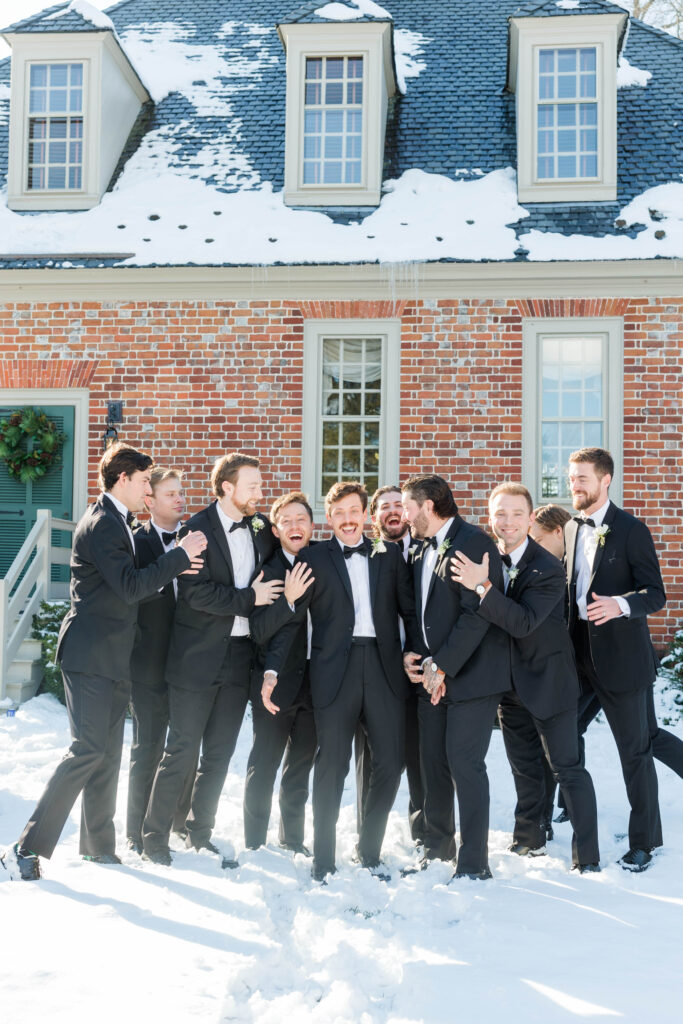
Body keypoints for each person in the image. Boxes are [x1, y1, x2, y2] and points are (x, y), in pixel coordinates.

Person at [1, 443, 207, 881]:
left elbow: (127, 590)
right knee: (87, 749)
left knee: (108, 754)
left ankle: (97, 847)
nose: (149, 491)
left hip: (115, 657)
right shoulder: (102, 524)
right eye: (145, 482)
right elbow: (132, 587)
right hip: (89, 655)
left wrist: (174, 568)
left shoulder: (120, 522)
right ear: (123, 479)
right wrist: (180, 556)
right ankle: (24, 845)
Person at [141, 452, 281, 868]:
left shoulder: (259, 529)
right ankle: (153, 838)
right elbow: (198, 596)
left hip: (240, 658)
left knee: (219, 754)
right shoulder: (196, 530)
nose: (260, 492)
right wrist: (249, 599)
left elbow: (272, 566)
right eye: (252, 485)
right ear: (227, 488)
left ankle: (200, 833)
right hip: (195, 659)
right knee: (181, 750)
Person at [451, 484, 600, 872]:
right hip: (507, 686)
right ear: (490, 519)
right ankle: (528, 840)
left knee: (566, 768)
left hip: (549, 682)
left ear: (531, 519)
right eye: (500, 514)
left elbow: (523, 622)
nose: (508, 521)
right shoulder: (486, 559)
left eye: (517, 514)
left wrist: (481, 586)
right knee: (524, 768)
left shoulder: (547, 568)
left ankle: (588, 857)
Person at [293, 481, 419, 882]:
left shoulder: (389, 557)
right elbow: (294, 622)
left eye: (354, 511)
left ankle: (369, 849)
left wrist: (415, 653)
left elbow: (410, 612)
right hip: (334, 671)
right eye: (340, 513)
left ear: (366, 515)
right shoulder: (313, 558)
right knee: (331, 766)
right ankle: (324, 858)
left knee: (390, 762)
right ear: (329, 519)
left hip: (384, 668)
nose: (348, 520)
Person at [401, 474, 509, 880]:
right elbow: (421, 612)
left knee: (465, 765)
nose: (404, 516)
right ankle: (437, 847)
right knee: (433, 763)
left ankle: (474, 862)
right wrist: (418, 656)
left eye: (409, 508)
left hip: (473, 677)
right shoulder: (420, 547)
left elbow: (476, 614)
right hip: (433, 677)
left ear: (428, 506)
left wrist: (442, 665)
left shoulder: (474, 543)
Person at [564, 447, 666, 872]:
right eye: (572, 479)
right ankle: (568, 810)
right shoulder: (570, 527)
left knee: (635, 754)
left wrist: (621, 605)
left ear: (605, 480)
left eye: (583, 478)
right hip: (578, 660)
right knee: (565, 738)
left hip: (623, 663)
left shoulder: (631, 530)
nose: (575, 486)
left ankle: (645, 841)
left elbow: (655, 594)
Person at [126, 467, 198, 855]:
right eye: (170, 494)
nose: (179, 498)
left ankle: (176, 822)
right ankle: (135, 830)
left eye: (180, 492)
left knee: (186, 746)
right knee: (148, 746)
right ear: (149, 500)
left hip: (189, 659)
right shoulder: (135, 543)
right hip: (148, 661)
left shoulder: (198, 538)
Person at [244, 492, 316, 854]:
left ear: (311, 525)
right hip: (273, 686)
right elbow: (258, 631)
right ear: (276, 529)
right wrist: (287, 600)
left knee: (300, 769)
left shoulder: (323, 563)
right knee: (264, 765)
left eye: (300, 519)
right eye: (286, 520)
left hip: (315, 686)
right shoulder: (268, 571)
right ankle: (255, 842)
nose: (294, 526)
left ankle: (293, 839)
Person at [355, 485, 425, 848]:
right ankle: (365, 830)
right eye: (385, 507)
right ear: (374, 516)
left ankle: (423, 831)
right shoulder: (364, 554)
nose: (393, 511)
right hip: (376, 669)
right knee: (372, 756)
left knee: (418, 753)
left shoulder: (428, 549)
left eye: (400, 505)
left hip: (419, 666)